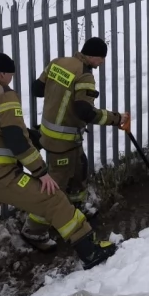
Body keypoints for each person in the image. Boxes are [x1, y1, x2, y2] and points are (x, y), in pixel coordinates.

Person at [0, 53, 117, 296]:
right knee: (52, 199)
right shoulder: (3, 94)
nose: (10, 80)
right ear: (1, 74)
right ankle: (90, 251)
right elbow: (14, 136)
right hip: (1, 175)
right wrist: (40, 172)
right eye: (9, 75)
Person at [20, 37, 130, 250]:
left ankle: (75, 207)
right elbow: (84, 111)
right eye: (101, 58)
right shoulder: (85, 76)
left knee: (79, 168)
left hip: (52, 133)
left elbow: (37, 89)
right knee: (54, 186)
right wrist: (116, 119)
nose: (102, 63)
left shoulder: (58, 63)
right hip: (62, 140)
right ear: (93, 56)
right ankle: (33, 231)